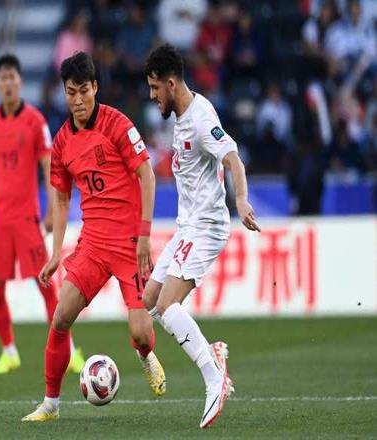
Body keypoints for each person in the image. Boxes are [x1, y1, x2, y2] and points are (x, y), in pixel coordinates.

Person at [22, 52, 165, 422]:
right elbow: (61, 197)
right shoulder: (61, 143)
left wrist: (145, 235)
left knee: (141, 333)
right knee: (61, 317)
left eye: (84, 91)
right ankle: (50, 405)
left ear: (95, 88)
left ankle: (145, 354)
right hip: (93, 245)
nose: (78, 100)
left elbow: (147, 176)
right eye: (71, 93)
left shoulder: (117, 124)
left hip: (130, 245)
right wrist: (56, 253)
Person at [142, 44, 261, 429]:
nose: (152, 95)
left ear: (171, 84)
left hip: (207, 226)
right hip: (187, 226)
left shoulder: (200, 117)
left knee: (169, 305)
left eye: (155, 88)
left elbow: (233, 158)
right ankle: (212, 353)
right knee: (149, 301)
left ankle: (214, 378)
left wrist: (240, 199)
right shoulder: (180, 116)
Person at [0, 54, 84, 375]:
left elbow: (49, 166)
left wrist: (50, 209)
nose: (8, 83)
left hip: (26, 216)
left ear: (20, 81)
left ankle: (70, 350)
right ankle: (9, 352)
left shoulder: (34, 121)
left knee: (45, 283)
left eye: (12, 77)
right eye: (3, 78)